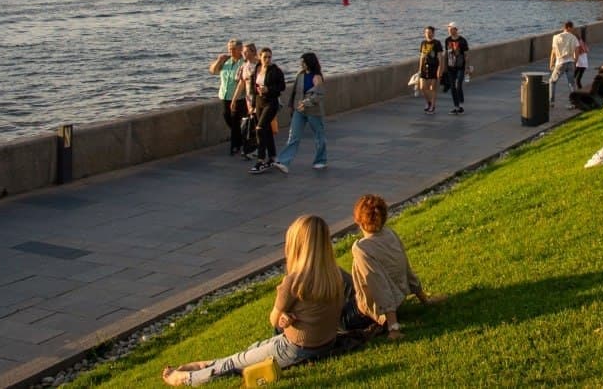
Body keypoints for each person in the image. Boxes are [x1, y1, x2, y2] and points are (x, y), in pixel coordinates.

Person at [161, 215, 344, 385]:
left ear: (297, 245)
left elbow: (274, 320)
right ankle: (204, 364)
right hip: (324, 343)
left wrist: (284, 318)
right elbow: (315, 311)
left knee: (235, 364)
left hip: (295, 348)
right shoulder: (334, 274)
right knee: (252, 349)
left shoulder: (293, 281)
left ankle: (186, 378)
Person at [350, 194, 444, 340]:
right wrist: (424, 299)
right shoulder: (390, 234)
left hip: (373, 311)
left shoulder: (362, 248)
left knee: (338, 311)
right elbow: (407, 269)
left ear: (358, 221)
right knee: (344, 282)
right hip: (398, 299)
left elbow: (379, 285)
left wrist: (393, 328)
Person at [273, 52, 327, 174]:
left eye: (303, 62)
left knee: (319, 136)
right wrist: (292, 106)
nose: (301, 64)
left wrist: (306, 103)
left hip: (313, 111)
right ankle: (283, 161)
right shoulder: (300, 75)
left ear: (308, 63)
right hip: (299, 110)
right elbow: (294, 92)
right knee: (293, 136)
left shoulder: (317, 77)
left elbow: (319, 95)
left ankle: (321, 160)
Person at [249, 47, 286, 174]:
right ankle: (272, 157)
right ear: (260, 57)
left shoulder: (275, 71)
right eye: (265, 57)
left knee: (260, 129)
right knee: (267, 130)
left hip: (271, 103)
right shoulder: (257, 68)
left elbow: (282, 87)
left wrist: (268, 89)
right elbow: (254, 88)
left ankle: (260, 160)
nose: (267, 59)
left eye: (269, 57)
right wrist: (253, 105)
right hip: (259, 103)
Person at [209, 38, 245, 157]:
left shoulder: (243, 63)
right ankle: (241, 139)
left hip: (238, 97)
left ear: (240, 49)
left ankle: (235, 146)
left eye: (234, 49)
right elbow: (213, 71)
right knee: (227, 117)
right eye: (229, 49)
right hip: (225, 95)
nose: (231, 51)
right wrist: (219, 60)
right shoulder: (226, 61)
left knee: (235, 121)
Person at [549, 21, 580, 107]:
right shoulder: (573, 38)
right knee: (571, 83)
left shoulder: (556, 37)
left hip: (560, 62)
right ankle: (574, 102)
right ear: (569, 27)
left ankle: (551, 102)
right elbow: (577, 51)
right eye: (572, 27)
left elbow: (553, 51)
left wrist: (551, 63)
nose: (573, 29)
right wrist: (575, 62)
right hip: (570, 62)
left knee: (552, 81)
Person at [444, 23, 469, 115]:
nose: (450, 31)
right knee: (453, 87)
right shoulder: (447, 40)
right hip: (450, 67)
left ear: (456, 29)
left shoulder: (462, 40)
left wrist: (466, 67)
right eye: (448, 29)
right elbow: (446, 54)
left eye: (451, 29)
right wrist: (444, 67)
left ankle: (460, 101)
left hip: (460, 67)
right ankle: (457, 107)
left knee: (458, 84)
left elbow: (466, 55)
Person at [417, 26, 443, 114]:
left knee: (432, 88)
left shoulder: (437, 43)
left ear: (433, 33)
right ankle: (429, 102)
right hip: (424, 68)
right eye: (426, 32)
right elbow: (422, 56)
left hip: (434, 68)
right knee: (422, 87)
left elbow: (440, 57)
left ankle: (433, 106)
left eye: (430, 32)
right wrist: (419, 69)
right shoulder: (423, 43)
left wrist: (439, 68)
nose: (428, 34)